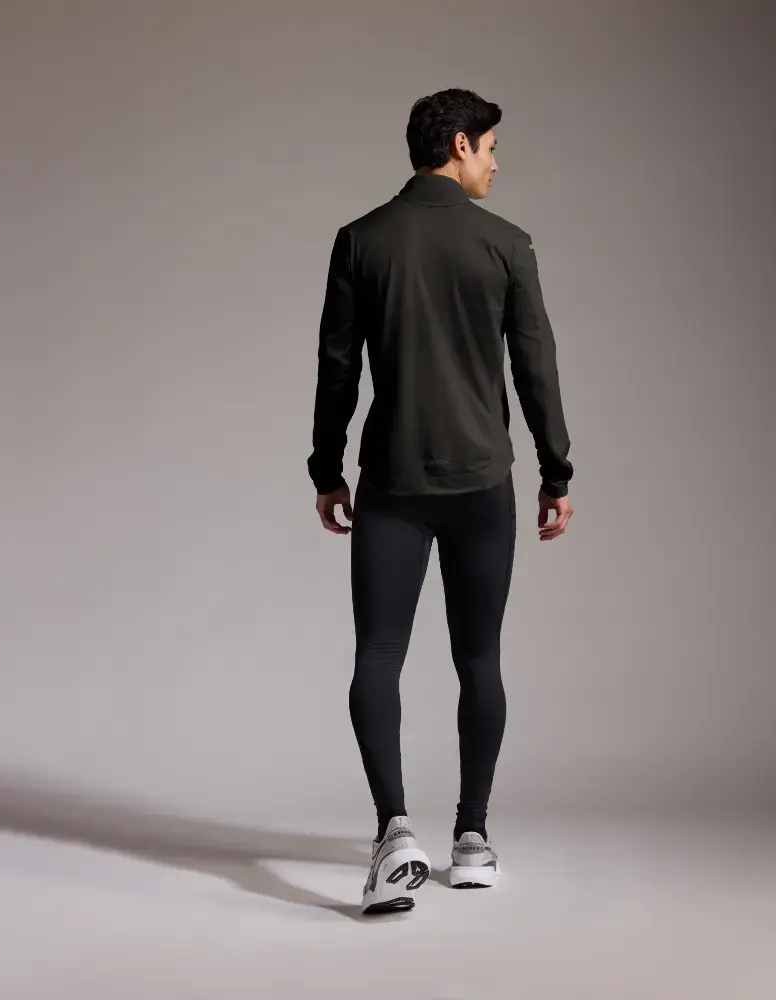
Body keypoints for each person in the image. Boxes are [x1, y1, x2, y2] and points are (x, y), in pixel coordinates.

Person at [307, 88, 574, 914]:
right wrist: (556, 472)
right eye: (490, 147)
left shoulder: (361, 240)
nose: (496, 162)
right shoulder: (506, 245)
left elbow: (337, 368)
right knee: (479, 660)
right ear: (458, 146)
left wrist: (326, 468)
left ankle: (394, 833)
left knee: (377, 656)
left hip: (391, 483)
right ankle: (473, 839)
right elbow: (536, 368)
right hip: (482, 483)